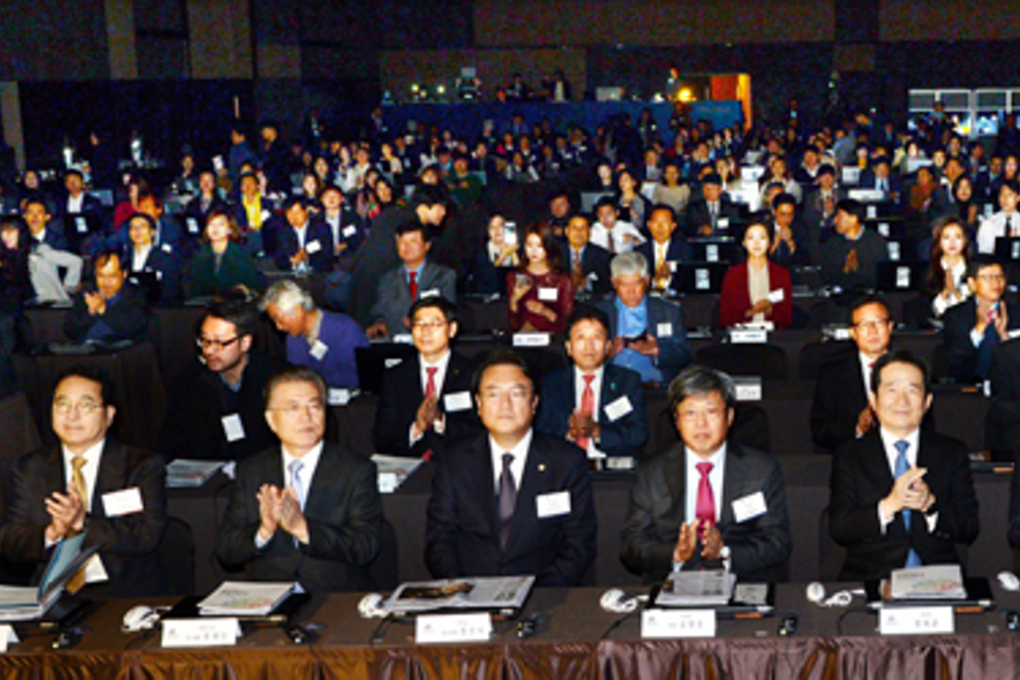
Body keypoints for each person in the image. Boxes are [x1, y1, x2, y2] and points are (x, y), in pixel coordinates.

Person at [425, 350, 597, 586]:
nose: (505, 405)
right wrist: (463, 590)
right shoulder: (454, 461)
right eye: (493, 394)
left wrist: (537, 594)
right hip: (469, 597)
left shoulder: (566, 461)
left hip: (545, 599)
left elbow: (579, 543)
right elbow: (439, 540)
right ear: (478, 403)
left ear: (534, 402)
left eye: (517, 393)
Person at [0, 364, 169, 596]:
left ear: (109, 415)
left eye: (86, 405)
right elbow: (11, 540)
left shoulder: (140, 466)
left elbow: (147, 535)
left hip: (122, 591)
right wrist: (52, 532)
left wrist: (81, 524)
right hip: (53, 594)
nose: (72, 415)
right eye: (63, 404)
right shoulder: (30, 467)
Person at [215, 367, 383, 592]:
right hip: (269, 599)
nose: (306, 417)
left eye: (314, 406)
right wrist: (264, 530)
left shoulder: (356, 470)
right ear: (271, 420)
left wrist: (303, 529)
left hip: (333, 598)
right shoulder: (251, 471)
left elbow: (365, 546)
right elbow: (226, 551)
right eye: (293, 408)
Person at [620, 365, 792, 582]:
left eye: (711, 412)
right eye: (690, 413)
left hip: (740, 581)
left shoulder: (761, 468)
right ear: (677, 420)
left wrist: (724, 552)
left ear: (729, 417)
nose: (701, 424)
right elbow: (632, 545)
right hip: (672, 582)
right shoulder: (652, 472)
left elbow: (778, 542)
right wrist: (674, 554)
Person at [829, 350, 978, 581]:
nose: (902, 401)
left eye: (912, 391)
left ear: (927, 401)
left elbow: (969, 527)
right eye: (891, 390)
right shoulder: (851, 454)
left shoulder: (951, 452)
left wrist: (930, 506)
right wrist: (889, 505)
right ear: (873, 400)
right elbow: (840, 527)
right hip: (871, 577)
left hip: (938, 579)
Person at [159, 290, 287, 462]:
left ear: (245, 343)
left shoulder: (276, 380)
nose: (210, 351)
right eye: (205, 341)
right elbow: (172, 439)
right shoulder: (192, 379)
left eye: (220, 343)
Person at [373, 296, 481, 459]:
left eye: (435, 324)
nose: (426, 331)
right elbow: (382, 437)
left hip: (459, 464)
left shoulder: (473, 373)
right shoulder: (396, 376)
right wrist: (417, 428)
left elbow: (480, 431)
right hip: (411, 466)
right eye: (419, 324)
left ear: (452, 329)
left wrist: (440, 421)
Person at [536, 307, 647, 461]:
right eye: (581, 337)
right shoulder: (551, 384)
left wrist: (597, 431)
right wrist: (570, 433)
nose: (589, 346)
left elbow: (638, 435)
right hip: (564, 469)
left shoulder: (627, 382)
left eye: (596, 337)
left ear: (608, 346)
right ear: (569, 347)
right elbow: (540, 435)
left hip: (612, 472)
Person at [811, 297, 896, 452]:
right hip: (852, 460)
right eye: (864, 325)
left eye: (878, 322)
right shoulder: (832, 374)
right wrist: (858, 429)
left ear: (890, 327)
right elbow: (820, 431)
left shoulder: (911, 369)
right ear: (853, 332)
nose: (872, 331)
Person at [597, 252, 692, 386]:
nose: (631, 291)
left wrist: (657, 351)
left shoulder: (667, 311)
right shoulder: (600, 313)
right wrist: (606, 353)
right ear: (614, 282)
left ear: (647, 280)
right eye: (624, 285)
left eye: (636, 284)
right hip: (612, 387)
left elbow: (685, 353)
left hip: (655, 387)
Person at [261, 280, 368, 389]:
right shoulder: (293, 338)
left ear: (298, 310)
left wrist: (314, 380)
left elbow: (361, 376)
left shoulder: (345, 329)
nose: (278, 327)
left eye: (279, 319)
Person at [366, 220, 457, 339]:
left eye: (413, 241)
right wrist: (379, 324)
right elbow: (379, 313)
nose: (406, 247)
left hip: (431, 340)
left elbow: (448, 313)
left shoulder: (443, 276)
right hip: (396, 344)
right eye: (402, 242)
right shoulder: (387, 279)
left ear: (427, 245)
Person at [943, 256, 1020, 383]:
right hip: (970, 387)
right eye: (987, 278)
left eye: (999, 277)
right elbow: (956, 361)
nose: (995, 283)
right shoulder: (956, 315)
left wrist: (1004, 338)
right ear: (972, 284)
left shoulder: (1016, 313)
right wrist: (979, 329)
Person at [718, 220, 794, 329]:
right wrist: (750, 313)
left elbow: (788, 316)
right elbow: (724, 317)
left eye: (762, 238)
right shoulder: (733, 275)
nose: (757, 243)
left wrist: (770, 311)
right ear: (744, 243)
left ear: (769, 243)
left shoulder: (781, 274)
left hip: (773, 336)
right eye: (751, 238)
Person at [64, 251, 149, 344]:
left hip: (120, 352)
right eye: (101, 275)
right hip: (86, 351)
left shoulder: (135, 295)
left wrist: (103, 310)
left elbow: (132, 329)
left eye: (112, 276)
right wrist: (89, 313)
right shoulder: (87, 293)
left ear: (124, 274)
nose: (106, 281)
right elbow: (70, 331)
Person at [507, 223, 574, 333]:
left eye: (539, 246)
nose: (533, 251)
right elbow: (513, 324)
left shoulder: (561, 278)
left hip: (554, 339)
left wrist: (545, 311)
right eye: (529, 245)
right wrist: (514, 299)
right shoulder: (517, 276)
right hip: (524, 339)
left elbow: (568, 322)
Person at [189, 208, 265, 298]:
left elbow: (254, 285)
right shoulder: (199, 255)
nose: (215, 228)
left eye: (220, 224)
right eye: (211, 224)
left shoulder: (241, 255)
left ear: (230, 229)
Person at [815, 198, 887, 292]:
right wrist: (845, 270)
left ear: (853, 219)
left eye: (839, 216)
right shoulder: (832, 242)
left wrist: (857, 269)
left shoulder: (875, 242)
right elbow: (825, 275)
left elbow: (880, 277)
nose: (835, 220)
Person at [123, 213, 183, 306]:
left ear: (152, 232)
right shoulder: (122, 257)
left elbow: (171, 290)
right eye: (133, 227)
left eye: (142, 227)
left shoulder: (166, 258)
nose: (137, 231)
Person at [636, 204, 691, 294]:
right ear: (649, 225)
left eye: (665, 222)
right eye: (656, 222)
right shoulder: (639, 252)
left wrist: (668, 279)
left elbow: (687, 282)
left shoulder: (685, 250)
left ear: (673, 226)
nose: (660, 227)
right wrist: (655, 280)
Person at [271, 197, 334, 274]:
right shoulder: (282, 231)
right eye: (289, 213)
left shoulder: (322, 228)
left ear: (306, 211)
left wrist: (307, 257)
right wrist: (291, 261)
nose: (293, 217)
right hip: (291, 274)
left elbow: (327, 255)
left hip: (318, 274)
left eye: (296, 213)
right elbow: (278, 257)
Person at [924, 218, 971, 319]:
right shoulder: (928, 271)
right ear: (939, 241)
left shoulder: (974, 270)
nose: (952, 242)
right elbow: (927, 312)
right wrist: (945, 292)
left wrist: (955, 292)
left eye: (957, 237)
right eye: (946, 237)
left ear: (965, 240)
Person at [560, 214, 612, 297]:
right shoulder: (554, 253)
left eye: (583, 228)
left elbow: (607, 286)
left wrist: (586, 283)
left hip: (590, 301)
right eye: (574, 228)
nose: (579, 231)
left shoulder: (601, 255)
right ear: (567, 231)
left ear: (589, 232)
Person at [470, 214, 519, 296]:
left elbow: (523, 279)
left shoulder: (520, 250)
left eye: (500, 226)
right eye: (492, 227)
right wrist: (503, 255)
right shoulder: (481, 252)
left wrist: (513, 254)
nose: (497, 230)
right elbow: (485, 279)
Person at [685, 172, 739, 238]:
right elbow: (687, 228)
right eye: (706, 189)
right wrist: (700, 229)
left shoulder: (730, 208)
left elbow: (736, 229)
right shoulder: (694, 208)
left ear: (720, 190)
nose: (709, 192)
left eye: (712, 189)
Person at [976, 180, 1020, 254]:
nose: (1005, 199)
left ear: (1018, 197)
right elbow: (983, 252)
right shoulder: (989, 223)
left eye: (1009, 195)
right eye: (1002, 195)